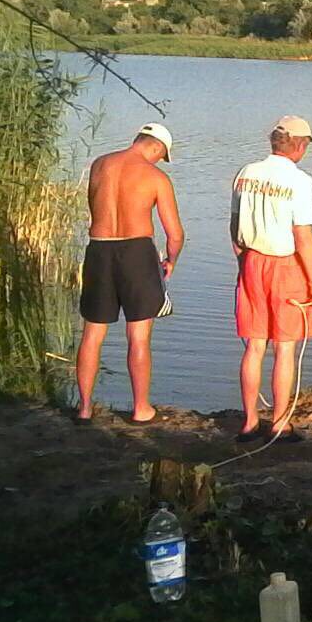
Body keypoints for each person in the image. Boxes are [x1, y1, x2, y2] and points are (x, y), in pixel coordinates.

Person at [75, 122, 185, 425]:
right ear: (157, 147)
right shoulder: (155, 177)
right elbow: (175, 234)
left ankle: (84, 408)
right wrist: (171, 260)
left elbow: (93, 209)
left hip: (98, 249)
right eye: (161, 155)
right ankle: (141, 409)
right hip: (136, 252)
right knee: (138, 337)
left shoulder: (100, 165)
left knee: (92, 335)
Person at [231, 116, 312, 442]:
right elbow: (303, 237)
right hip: (285, 265)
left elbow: (234, 228)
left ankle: (248, 422)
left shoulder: (246, 172)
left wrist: (243, 262)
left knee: (254, 346)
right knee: (284, 348)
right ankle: (278, 422)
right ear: (300, 145)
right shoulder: (299, 182)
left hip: (251, 261)